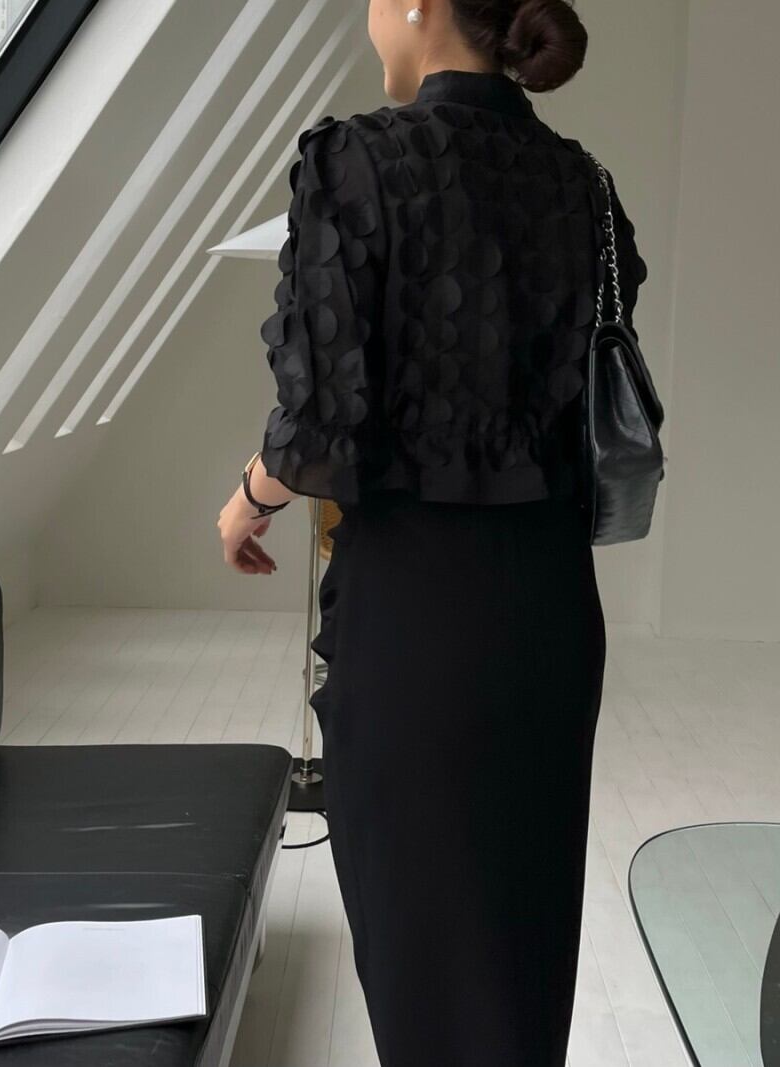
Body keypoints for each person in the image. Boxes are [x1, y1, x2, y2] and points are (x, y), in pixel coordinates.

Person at [217, 0, 648, 1063]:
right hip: (550, 613)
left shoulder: (356, 160)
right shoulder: (582, 183)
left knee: (425, 977)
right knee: (516, 962)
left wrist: (247, 498)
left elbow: (318, 424)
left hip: (418, 620)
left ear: (417, 5)